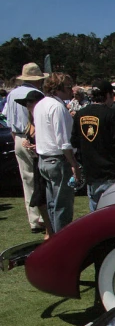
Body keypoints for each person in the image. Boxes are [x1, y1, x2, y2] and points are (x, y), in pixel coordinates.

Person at [71, 81, 115, 211]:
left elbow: (74, 143)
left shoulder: (80, 114)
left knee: (96, 212)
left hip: (91, 173)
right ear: (109, 95)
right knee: (114, 212)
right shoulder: (111, 114)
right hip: (111, 172)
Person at [34, 72, 82, 232]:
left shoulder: (40, 104)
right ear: (58, 88)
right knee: (63, 205)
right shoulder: (57, 107)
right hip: (58, 160)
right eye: (68, 87)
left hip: (44, 160)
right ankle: (62, 243)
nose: (72, 91)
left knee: (52, 204)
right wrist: (73, 163)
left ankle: (55, 237)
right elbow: (63, 141)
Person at [2, 62, 47, 233]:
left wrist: (17, 139)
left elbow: (9, 119)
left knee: (27, 180)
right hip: (33, 137)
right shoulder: (38, 94)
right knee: (40, 179)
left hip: (18, 138)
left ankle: (34, 220)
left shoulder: (12, 94)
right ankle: (43, 217)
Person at [15, 90, 54, 239]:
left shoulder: (41, 120)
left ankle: (50, 230)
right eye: (26, 103)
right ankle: (48, 228)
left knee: (46, 197)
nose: (28, 106)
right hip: (36, 161)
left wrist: (36, 146)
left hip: (44, 160)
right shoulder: (30, 121)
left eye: (30, 103)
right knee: (39, 198)